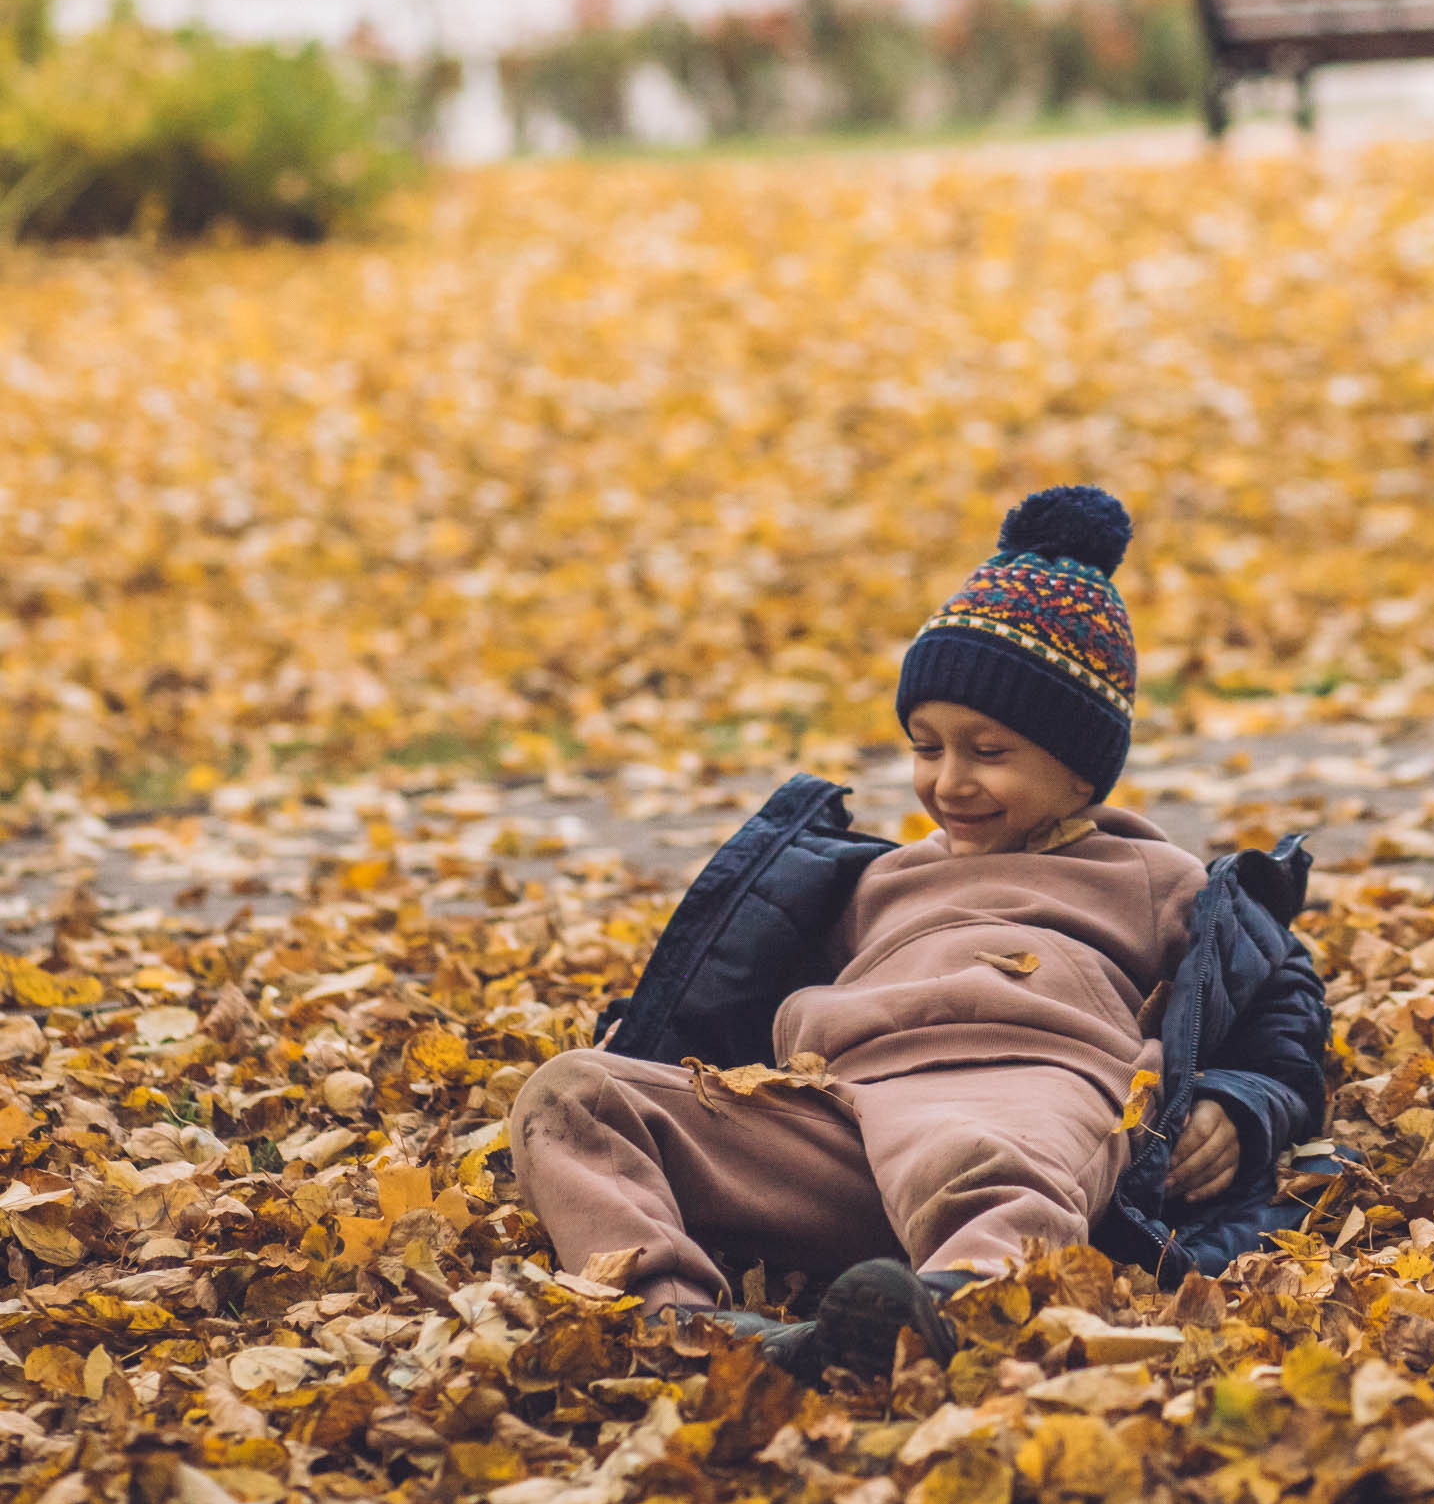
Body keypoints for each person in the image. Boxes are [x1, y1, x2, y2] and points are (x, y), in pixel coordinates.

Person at [508, 485, 1329, 1377]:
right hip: (841, 1121)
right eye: (924, 746)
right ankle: (676, 1323)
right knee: (575, 1093)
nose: (948, 782)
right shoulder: (875, 881)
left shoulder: (1151, 876)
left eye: (988, 752)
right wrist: (661, 1032)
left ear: (1082, 769)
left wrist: (1244, 1106)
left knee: (971, 1154)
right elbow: (736, 996)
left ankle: (961, 1301)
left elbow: (1279, 997)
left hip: (1025, 1095)